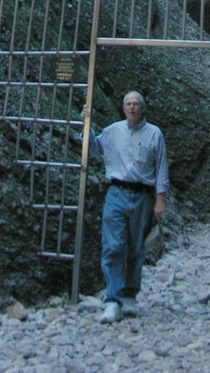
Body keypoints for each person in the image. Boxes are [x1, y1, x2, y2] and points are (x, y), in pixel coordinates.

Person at [81, 91, 169, 323]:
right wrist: (86, 123)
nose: (131, 107)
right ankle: (112, 299)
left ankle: (130, 295)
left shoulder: (154, 134)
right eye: (128, 104)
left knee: (135, 247)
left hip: (142, 196)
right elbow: (94, 148)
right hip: (116, 193)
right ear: (123, 108)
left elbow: (161, 168)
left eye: (136, 104)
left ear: (143, 108)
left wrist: (160, 199)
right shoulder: (112, 131)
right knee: (113, 245)